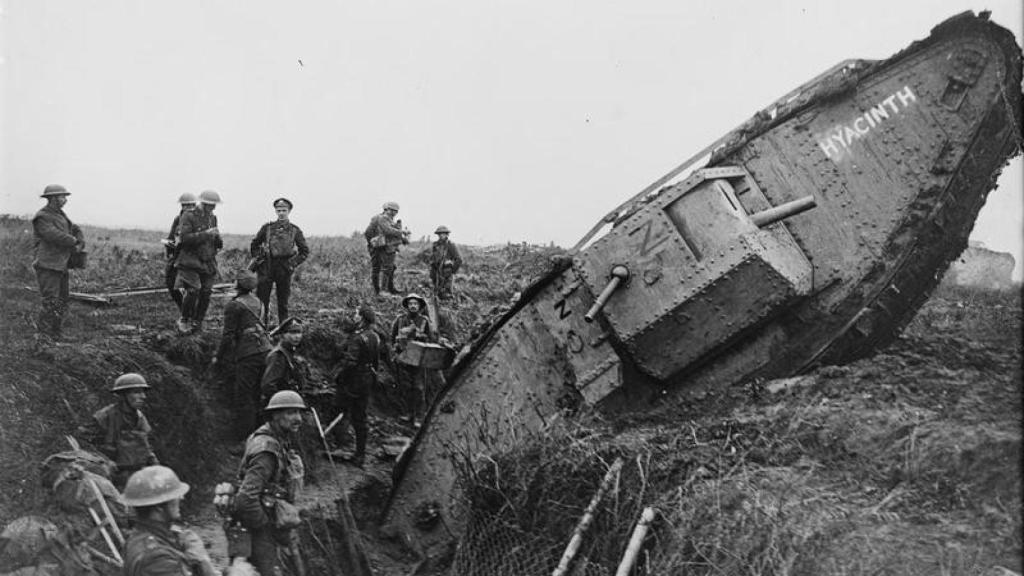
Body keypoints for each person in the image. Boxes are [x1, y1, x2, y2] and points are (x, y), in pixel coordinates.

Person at [232, 391, 307, 576]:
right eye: (291, 413)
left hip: (267, 518)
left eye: (299, 412)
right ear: (275, 415)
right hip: (259, 526)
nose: (298, 418)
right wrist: (265, 527)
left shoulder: (278, 440)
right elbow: (246, 498)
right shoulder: (267, 451)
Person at [214, 271, 273, 441]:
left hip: (248, 354)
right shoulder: (259, 302)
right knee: (258, 394)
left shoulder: (234, 305)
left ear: (237, 285)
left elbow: (228, 336)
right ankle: (262, 434)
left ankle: (244, 439)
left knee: (244, 397)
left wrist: (218, 357)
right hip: (266, 351)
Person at [31, 184, 85, 344]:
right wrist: (74, 241)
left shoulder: (60, 215)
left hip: (60, 265)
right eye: (63, 197)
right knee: (50, 301)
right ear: (54, 198)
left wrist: (80, 240)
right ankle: (43, 337)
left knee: (62, 300)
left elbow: (75, 228)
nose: (65, 200)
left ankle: (56, 334)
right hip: (48, 265)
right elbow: (54, 235)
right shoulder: (42, 216)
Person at [85, 373, 159, 489]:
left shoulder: (140, 418)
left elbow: (146, 446)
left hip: (138, 475)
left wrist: (154, 463)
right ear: (123, 395)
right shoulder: (105, 416)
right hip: (111, 477)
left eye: (143, 392)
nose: (143, 396)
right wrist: (104, 461)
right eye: (136, 392)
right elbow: (84, 443)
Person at [332, 305, 382, 467]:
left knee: (340, 408)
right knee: (360, 416)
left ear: (361, 318)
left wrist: (339, 377)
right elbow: (376, 361)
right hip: (366, 379)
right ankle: (360, 453)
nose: (353, 317)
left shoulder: (357, 337)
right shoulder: (374, 336)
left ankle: (340, 444)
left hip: (353, 381)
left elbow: (351, 362)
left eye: (356, 314)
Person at [250, 198, 310, 326]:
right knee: (262, 300)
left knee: (283, 302)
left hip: (284, 268)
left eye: (284, 210)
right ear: (275, 211)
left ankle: (284, 328)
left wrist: (292, 264)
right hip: (267, 267)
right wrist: (259, 260)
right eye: (279, 210)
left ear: (289, 211)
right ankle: (261, 328)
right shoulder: (267, 228)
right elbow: (254, 244)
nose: (281, 213)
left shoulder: (295, 230)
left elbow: (304, 251)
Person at [174, 190, 223, 334]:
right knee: (193, 290)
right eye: (209, 205)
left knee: (206, 292)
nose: (212, 208)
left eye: (214, 205)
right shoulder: (188, 216)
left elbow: (215, 241)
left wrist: (218, 239)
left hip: (207, 260)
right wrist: (206, 234)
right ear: (202, 203)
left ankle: (198, 321)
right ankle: (184, 319)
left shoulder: (213, 218)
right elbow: (185, 239)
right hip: (190, 259)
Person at [390, 293, 434, 425]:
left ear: (419, 306)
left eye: (415, 304)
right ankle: (409, 414)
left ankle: (419, 417)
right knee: (406, 388)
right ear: (407, 306)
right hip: (404, 359)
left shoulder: (425, 321)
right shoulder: (400, 320)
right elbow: (392, 338)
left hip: (419, 360)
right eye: (410, 304)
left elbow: (431, 339)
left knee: (419, 388)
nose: (413, 306)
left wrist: (420, 336)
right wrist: (396, 349)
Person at [364, 201, 409, 296]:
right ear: (386, 209)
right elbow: (388, 231)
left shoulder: (387, 219)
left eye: (395, 211)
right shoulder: (383, 218)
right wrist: (402, 232)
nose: (393, 212)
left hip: (383, 246)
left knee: (389, 268)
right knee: (384, 268)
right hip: (383, 247)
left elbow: (390, 233)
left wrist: (402, 238)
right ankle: (382, 290)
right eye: (391, 210)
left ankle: (388, 289)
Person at [163, 193, 197, 313]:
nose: (188, 207)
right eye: (185, 205)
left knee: (192, 289)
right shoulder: (178, 219)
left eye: (191, 205)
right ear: (182, 206)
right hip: (177, 258)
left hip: (193, 259)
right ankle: (184, 311)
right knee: (171, 284)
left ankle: (191, 315)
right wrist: (169, 245)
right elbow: (171, 237)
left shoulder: (198, 220)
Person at [260, 317, 306, 403]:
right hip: (282, 404)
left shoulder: (291, 352)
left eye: (299, 332)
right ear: (283, 335)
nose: (297, 336)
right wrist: (282, 402)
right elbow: (268, 385)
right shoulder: (278, 355)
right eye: (292, 332)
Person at [428, 225, 462, 300]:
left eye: (443, 234)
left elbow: (459, 259)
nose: (441, 236)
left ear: (447, 234)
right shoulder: (435, 245)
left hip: (446, 273)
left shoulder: (450, 245)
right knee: (437, 292)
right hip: (436, 272)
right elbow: (433, 257)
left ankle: (450, 307)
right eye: (439, 234)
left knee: (447, 293)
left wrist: (452, 271)